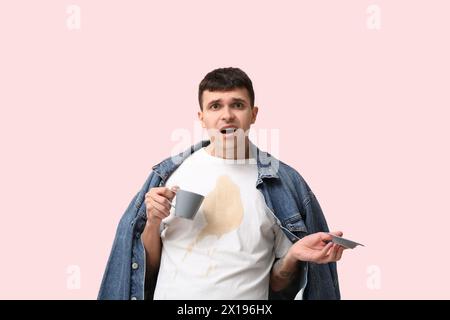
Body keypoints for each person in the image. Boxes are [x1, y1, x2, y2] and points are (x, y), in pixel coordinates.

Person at [98, 67, 346, 300]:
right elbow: (145, 270)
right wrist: (152, 221)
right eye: (215, 106)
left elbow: (279, 286)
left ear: (253, 114)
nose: (227, 115)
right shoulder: (170, 174)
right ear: (202, 117)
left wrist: (292, 256)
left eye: (237, 105)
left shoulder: (284, 184)